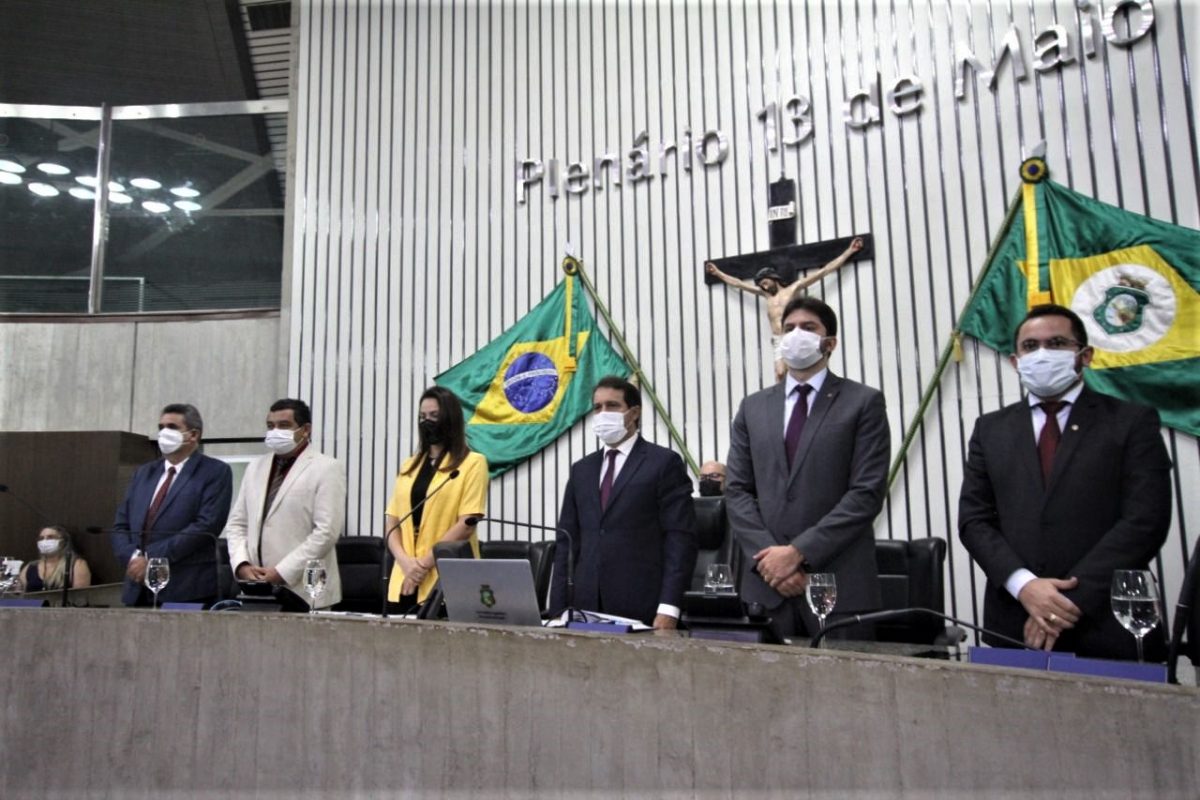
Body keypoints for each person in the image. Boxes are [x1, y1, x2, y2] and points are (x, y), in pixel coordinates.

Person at [959, 304, 1173, 660]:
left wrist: (1064, 602)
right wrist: (1024, 586)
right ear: (1015, 361)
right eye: (1030, 346)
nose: (1042, 354)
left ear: (1084, 355)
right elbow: (974, 520)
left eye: (1056, 343)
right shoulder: (991, 429)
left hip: (1107, 622)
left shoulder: (1131, 422)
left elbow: (1145, 521)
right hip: (1015, 620)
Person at [725, 295, 890, 642]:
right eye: (789, 328)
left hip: (838, 588)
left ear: (829, 343)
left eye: (808, 327)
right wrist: (772, 563)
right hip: (765, 589)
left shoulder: (863, 402)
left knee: (847, 693)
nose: (796, 335)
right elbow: (737, 490)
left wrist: (798, 554)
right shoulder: (753, 407)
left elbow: (866, 493)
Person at [550, 376, 697, 629]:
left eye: (612, 406)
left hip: (642, 606)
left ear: (634, 413)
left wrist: (670, 607)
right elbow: (567, 542)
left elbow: (680, 539)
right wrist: (557, 608)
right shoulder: (581, 470)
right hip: (584, 607)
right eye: (597, 408)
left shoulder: (663, 463)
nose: (602, 413)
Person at [224, 399, 346, 610]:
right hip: (255, 588)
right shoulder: (256, 467)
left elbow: (326, 532)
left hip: (305, 590)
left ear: (305, 430)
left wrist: (282, 572)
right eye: (270, 426)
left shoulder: (327, 468)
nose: (274, 432)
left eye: (283, 425)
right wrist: (242, 564)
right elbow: (237, 524)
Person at [111, 403, 232, 607]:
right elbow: (120, 525)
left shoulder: (214, 472)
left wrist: (151, 558)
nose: (164, 433)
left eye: (172, 427)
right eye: (161, 427)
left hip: (186, 587)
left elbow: (206, 525)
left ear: (193, 434)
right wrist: (133, 558)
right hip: (137, 587)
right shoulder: (144, 473)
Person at [383, 387, 489, 613]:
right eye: (422, 417)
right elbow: (392, 522)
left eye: (434, 416)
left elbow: (466, 524)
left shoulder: (472, 463)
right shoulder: (409, 466)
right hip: (405, 576)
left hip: (447, 579)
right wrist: (405, 562)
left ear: (449, 419)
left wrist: (422, 565)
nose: (426, 422)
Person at [706, 237, 864, 381]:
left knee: (805, 371)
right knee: (780, 374)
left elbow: (823, 272)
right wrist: (718, 273)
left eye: (765, 282)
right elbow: (738, 284)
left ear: (774, 278)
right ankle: (783, 407)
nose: (763, 286)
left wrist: (849, 251)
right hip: (778, 338)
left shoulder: (793, 289)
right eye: (761, 284)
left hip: (796, 335)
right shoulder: (767, 296)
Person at [18, 525, 91, 592]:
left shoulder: (76, 564)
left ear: (63, 541)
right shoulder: (30, 567)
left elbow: (80, 598)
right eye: (41, 538)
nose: (44, 541)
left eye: (50, 537)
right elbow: (17, 595)